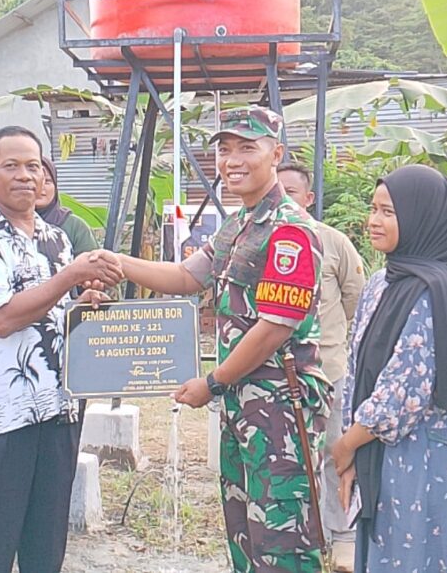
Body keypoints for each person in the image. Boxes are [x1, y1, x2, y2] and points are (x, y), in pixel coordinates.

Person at [111, 107, 331, 572]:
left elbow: (273, 328)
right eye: (224, 149)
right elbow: (186, 276)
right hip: (242, 406)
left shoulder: (288, 229)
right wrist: (113, 261)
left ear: (277, 154)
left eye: (247, 148)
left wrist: (212, 381)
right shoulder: (239, 224)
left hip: (279, 408)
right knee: (245, 535)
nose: (232, 160)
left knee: (282, 540)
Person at [0, 126, 119, 573]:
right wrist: (69, 278)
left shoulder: (56, 239)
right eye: (12, 166)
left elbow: (50, 313)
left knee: (46, 550)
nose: (26, 176)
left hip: (57, 412)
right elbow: (1, 319)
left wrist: (81, 304)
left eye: (34, 165)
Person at [334, 165, 447, 573]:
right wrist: (353, 450)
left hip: (420, 461)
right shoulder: (383, 281)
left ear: (421, 218)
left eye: (389, 212)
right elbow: (358, 364)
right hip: (379, 452)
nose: (373, 221)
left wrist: (346, 446)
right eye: (373, 208)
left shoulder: (432, 290)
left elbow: (404, 392)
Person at [276, 161, 366, 571]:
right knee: (291, 459)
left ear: (309, 198)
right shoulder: (263, 240)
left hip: (328, 369)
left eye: (291, 191)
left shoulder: (333, 242)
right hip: (276, 376)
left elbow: (355, 300)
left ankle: (341, 534)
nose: (283, 198)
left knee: (335, 454)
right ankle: (302, 535)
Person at [38, 158, 98, 256]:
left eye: (47, 181)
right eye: (35, 181)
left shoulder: (75, 227)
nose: (41, 187)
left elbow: (92, 267)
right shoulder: (10, 225)